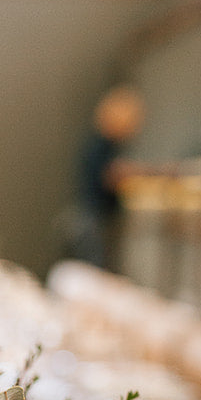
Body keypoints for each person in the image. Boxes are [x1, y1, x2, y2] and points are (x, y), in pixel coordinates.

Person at [70, 84, 145, 268]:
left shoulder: (106, 144)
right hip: (94, 219)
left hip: (96, 217)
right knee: (94, 270)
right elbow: (111, 176)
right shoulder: (101, 144)